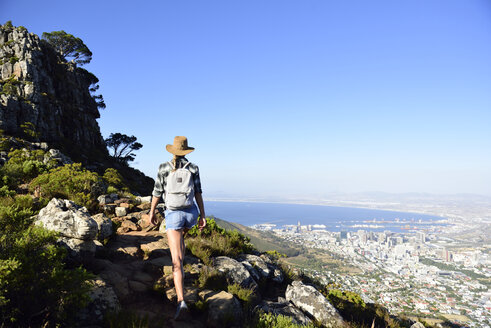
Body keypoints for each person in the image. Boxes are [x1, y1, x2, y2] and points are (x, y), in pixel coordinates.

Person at [148, 136, 206, 320]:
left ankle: (181, 302)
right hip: (190, 213)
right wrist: (202, 215)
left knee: (176, 261)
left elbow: (157, 192)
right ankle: (181, 249)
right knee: (181, 242)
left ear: (172, 150)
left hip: (173, 213)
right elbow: (198, 193)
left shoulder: (164, 167)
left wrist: (152, 212)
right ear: (186, 150)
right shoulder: (193, 168)